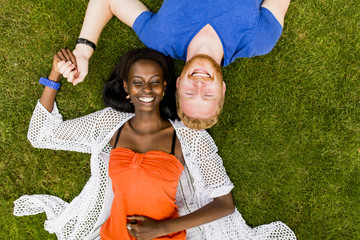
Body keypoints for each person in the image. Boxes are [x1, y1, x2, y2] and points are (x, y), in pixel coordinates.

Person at [14, 48, 296, 239]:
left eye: (154, 82)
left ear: (165, 87)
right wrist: (53, 76)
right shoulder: (109, 124)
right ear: (126, 87)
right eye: (137, 82)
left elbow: (225, 204)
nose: (146, 90)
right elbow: (42, 136)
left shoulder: (191, 138)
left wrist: (162, 229)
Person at [65, 0, 290, 129]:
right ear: (222, 89)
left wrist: (84, 50)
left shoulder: (161, 37)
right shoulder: (260, 39)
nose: (200, 85)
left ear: (179, 84)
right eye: (208, 95)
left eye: (190, 94)